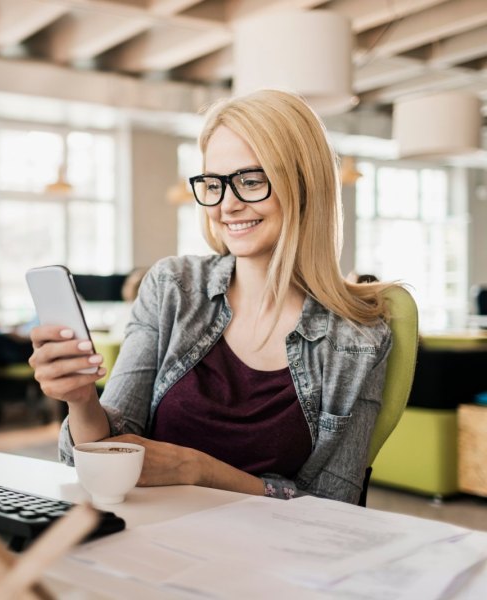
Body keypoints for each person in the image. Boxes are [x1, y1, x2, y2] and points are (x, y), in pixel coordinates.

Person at [29, 90, 396, 504]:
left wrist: (199, 470)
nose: (228, 204)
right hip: (149, 539)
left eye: (251, 181)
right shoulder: (172, 288)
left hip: (274, 559)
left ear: (304, 184)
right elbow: (110, 447)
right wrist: (80, 400)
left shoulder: (358, 339)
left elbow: (334, 503)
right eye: (213, 184)